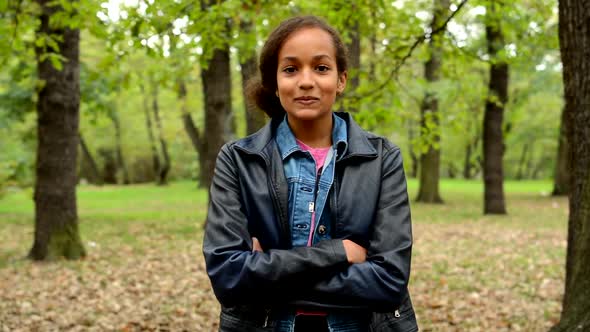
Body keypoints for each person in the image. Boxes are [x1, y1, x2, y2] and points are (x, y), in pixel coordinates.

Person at [203, 15, 418, 332]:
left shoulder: (382, 158)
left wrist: (267, 272)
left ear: (341, 79)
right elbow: (229, 277)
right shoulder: (238, 160)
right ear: (275, 83)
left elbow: (388, 281)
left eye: (321, 68)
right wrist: (339, 251)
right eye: (290, 69)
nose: (306, 81)